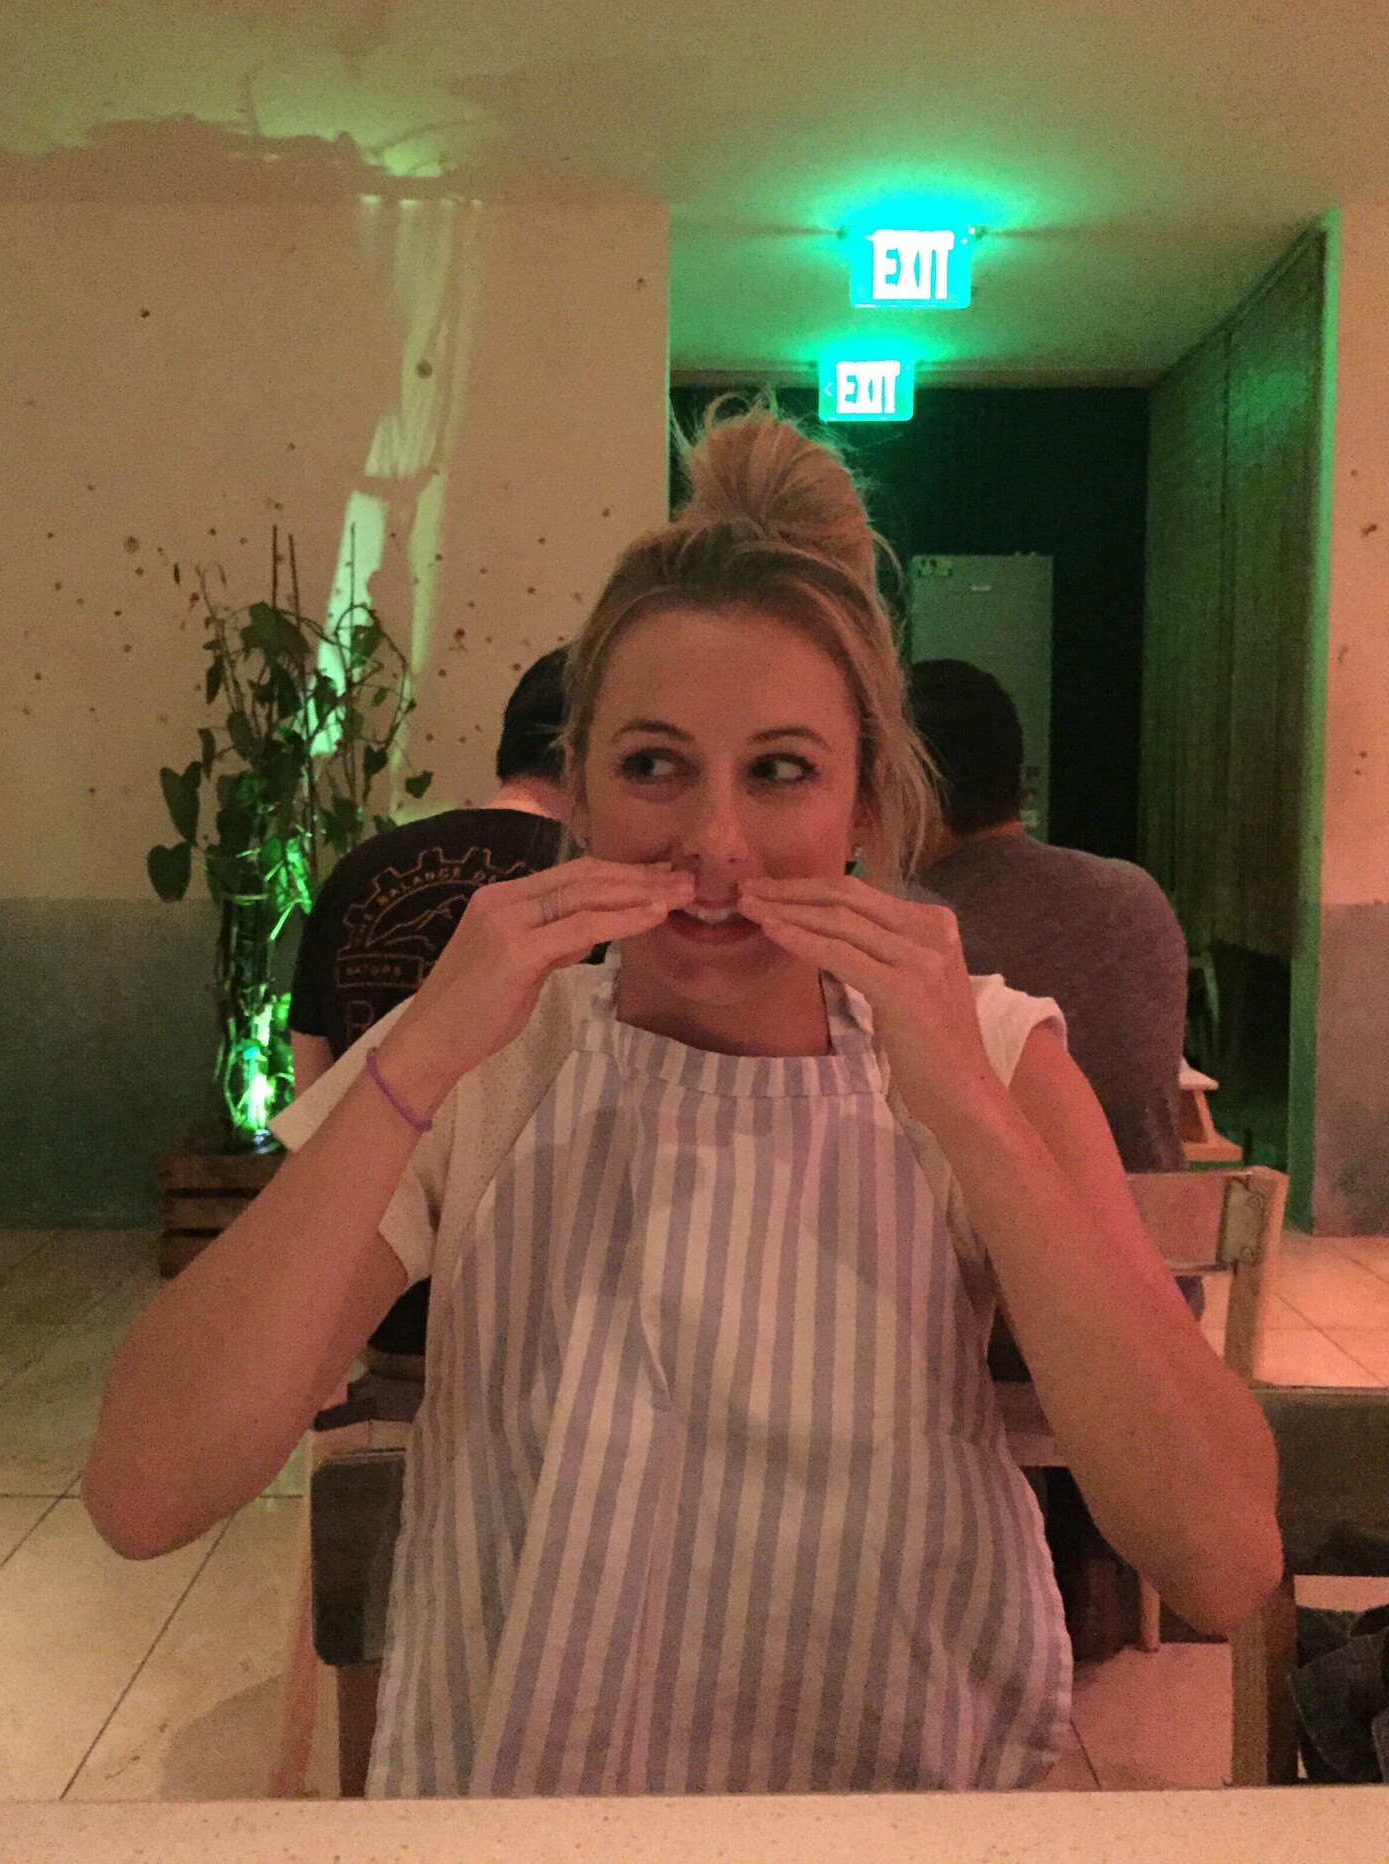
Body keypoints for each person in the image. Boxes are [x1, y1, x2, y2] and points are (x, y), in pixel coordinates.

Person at [84, 403, 1279, 1798]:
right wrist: (414, 1060)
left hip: (897, 1815)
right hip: (521, 1808)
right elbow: (145, 1489)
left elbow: (1219, 1554)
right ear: (579, 792)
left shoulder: (995, 1055)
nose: (716, 846)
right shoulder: (487, 1057)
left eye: (780, 772)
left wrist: (967, 1106)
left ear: (862, 802)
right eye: (655, 766)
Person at [288, 646, 571, 1362]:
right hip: (535, 1319)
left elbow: (313, 1089)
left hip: (368, 1313)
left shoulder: (357, 872)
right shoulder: (590, 889)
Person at [908, 659, 1188, 1176]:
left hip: (1014, 1224)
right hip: (1162, 1214)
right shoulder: (1134, 894)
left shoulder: (914, 931)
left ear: (906, 789)